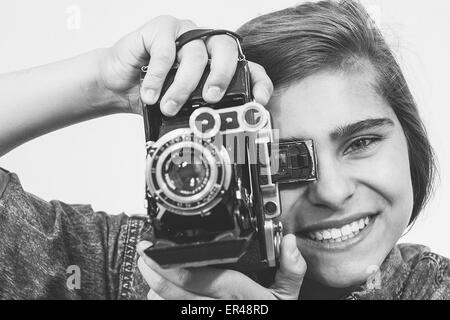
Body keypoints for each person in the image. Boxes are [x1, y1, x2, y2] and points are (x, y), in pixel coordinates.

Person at [0, 0, 448, 300]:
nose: (331, 192)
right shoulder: (129, 264)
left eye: (362, 142)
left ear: (411, 141)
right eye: (282, 160)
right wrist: (101, 82)